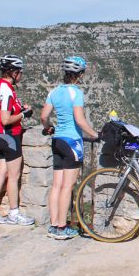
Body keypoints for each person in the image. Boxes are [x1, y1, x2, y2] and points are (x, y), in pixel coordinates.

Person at [40, 56, 99, 240]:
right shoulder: (76, 93)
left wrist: (48, 127)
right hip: (72, 142)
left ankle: (53, 225)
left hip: (57, 140)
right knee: (67, 186)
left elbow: (43, 117)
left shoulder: (54, 91)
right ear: (79, 74)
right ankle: (62, 226)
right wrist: (95, 134)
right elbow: (80, 120)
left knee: (56, 185)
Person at [0, 54, 35, 226]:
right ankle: (14, 213)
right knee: (14, 176)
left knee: (2, 173)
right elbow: (5, 119)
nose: (21, 75)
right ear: (12, 72)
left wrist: (20, 109)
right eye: (19, 72)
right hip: (9, 136)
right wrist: (23, 114)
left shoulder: (0, 87)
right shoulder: (6, 90)